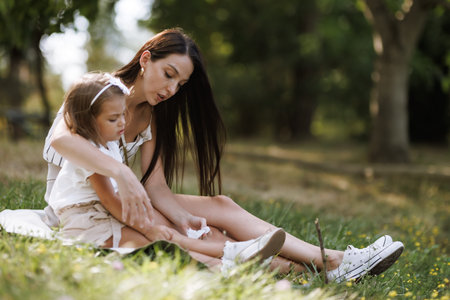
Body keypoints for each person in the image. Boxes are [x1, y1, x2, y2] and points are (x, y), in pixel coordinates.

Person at [44, 28, 404, 281]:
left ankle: (332, 264)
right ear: (146, 59)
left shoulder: (153, 115)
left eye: (180, 84)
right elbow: (62, 141)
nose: (171, 89)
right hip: (87, 207)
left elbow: (156, 189)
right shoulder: (97, 94)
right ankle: (328, 266)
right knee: (216, 240)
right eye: (168, 74)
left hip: (126, 198)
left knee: (219, 209)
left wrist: (183, 219)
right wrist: (121, 172)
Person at [48, 72, 287, 270]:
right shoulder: (90, 151)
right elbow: (110, 200)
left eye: (123, 114)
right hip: (88, 222)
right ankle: (226, 262)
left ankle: (237, 253)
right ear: (87, 121)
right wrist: (149, 228)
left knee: (169, 237)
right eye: (113, 119)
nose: (122, 123)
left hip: (105, 213)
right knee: (159, 243)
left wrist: (152, 227)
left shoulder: (108, 143)